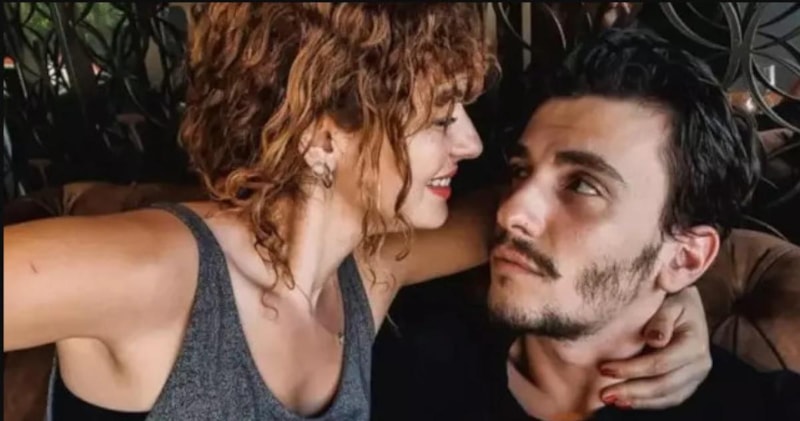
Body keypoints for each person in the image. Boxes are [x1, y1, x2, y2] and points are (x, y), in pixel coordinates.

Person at [4, 5, 712, 420]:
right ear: (321, 136)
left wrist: (675, 293)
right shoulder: (159, 269)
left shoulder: (366, 274)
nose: (469, 142)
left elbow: (543, 228)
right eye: (441, 117)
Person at [396, 28, 800, 421]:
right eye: (521, 171)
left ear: (686, 257)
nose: (509, 211)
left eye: (583, 185)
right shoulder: (407, 374)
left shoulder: (765, 408)